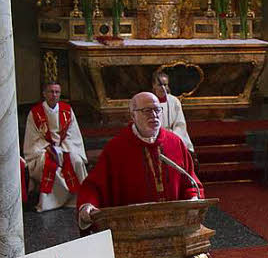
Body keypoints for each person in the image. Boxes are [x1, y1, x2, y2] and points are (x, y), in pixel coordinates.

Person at [77, 92, 203, 229]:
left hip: (174, 225)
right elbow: (94, 186)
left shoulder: (175, 143)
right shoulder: (117, 148)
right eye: (147, 111)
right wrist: (87, 205)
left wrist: (193, 199)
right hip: (132, 228)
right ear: (133, 115)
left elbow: (190, 181)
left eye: (157, 110)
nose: (154, 115)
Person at [22, 82, 88, 212]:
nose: (54, 95)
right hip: (43, 149)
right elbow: (33, 137)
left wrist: (63, 150)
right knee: (46, 165)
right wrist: (47, 147)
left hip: (65, 147)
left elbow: (73, 134)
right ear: (44, 94)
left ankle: (77, 199)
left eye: (57, 92)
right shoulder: (35, 113)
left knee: (77, 161)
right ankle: (50, 203)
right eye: (51, 92)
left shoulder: (67, 110)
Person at [153, 70, 195, 153]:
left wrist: (172, 137)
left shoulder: (174, 101)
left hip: (173, 137)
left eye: (165, 85)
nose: (163, 88)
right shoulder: (149, 100)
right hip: (155, 139)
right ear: (154, 85)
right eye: (160, 85)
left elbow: (180, 124)